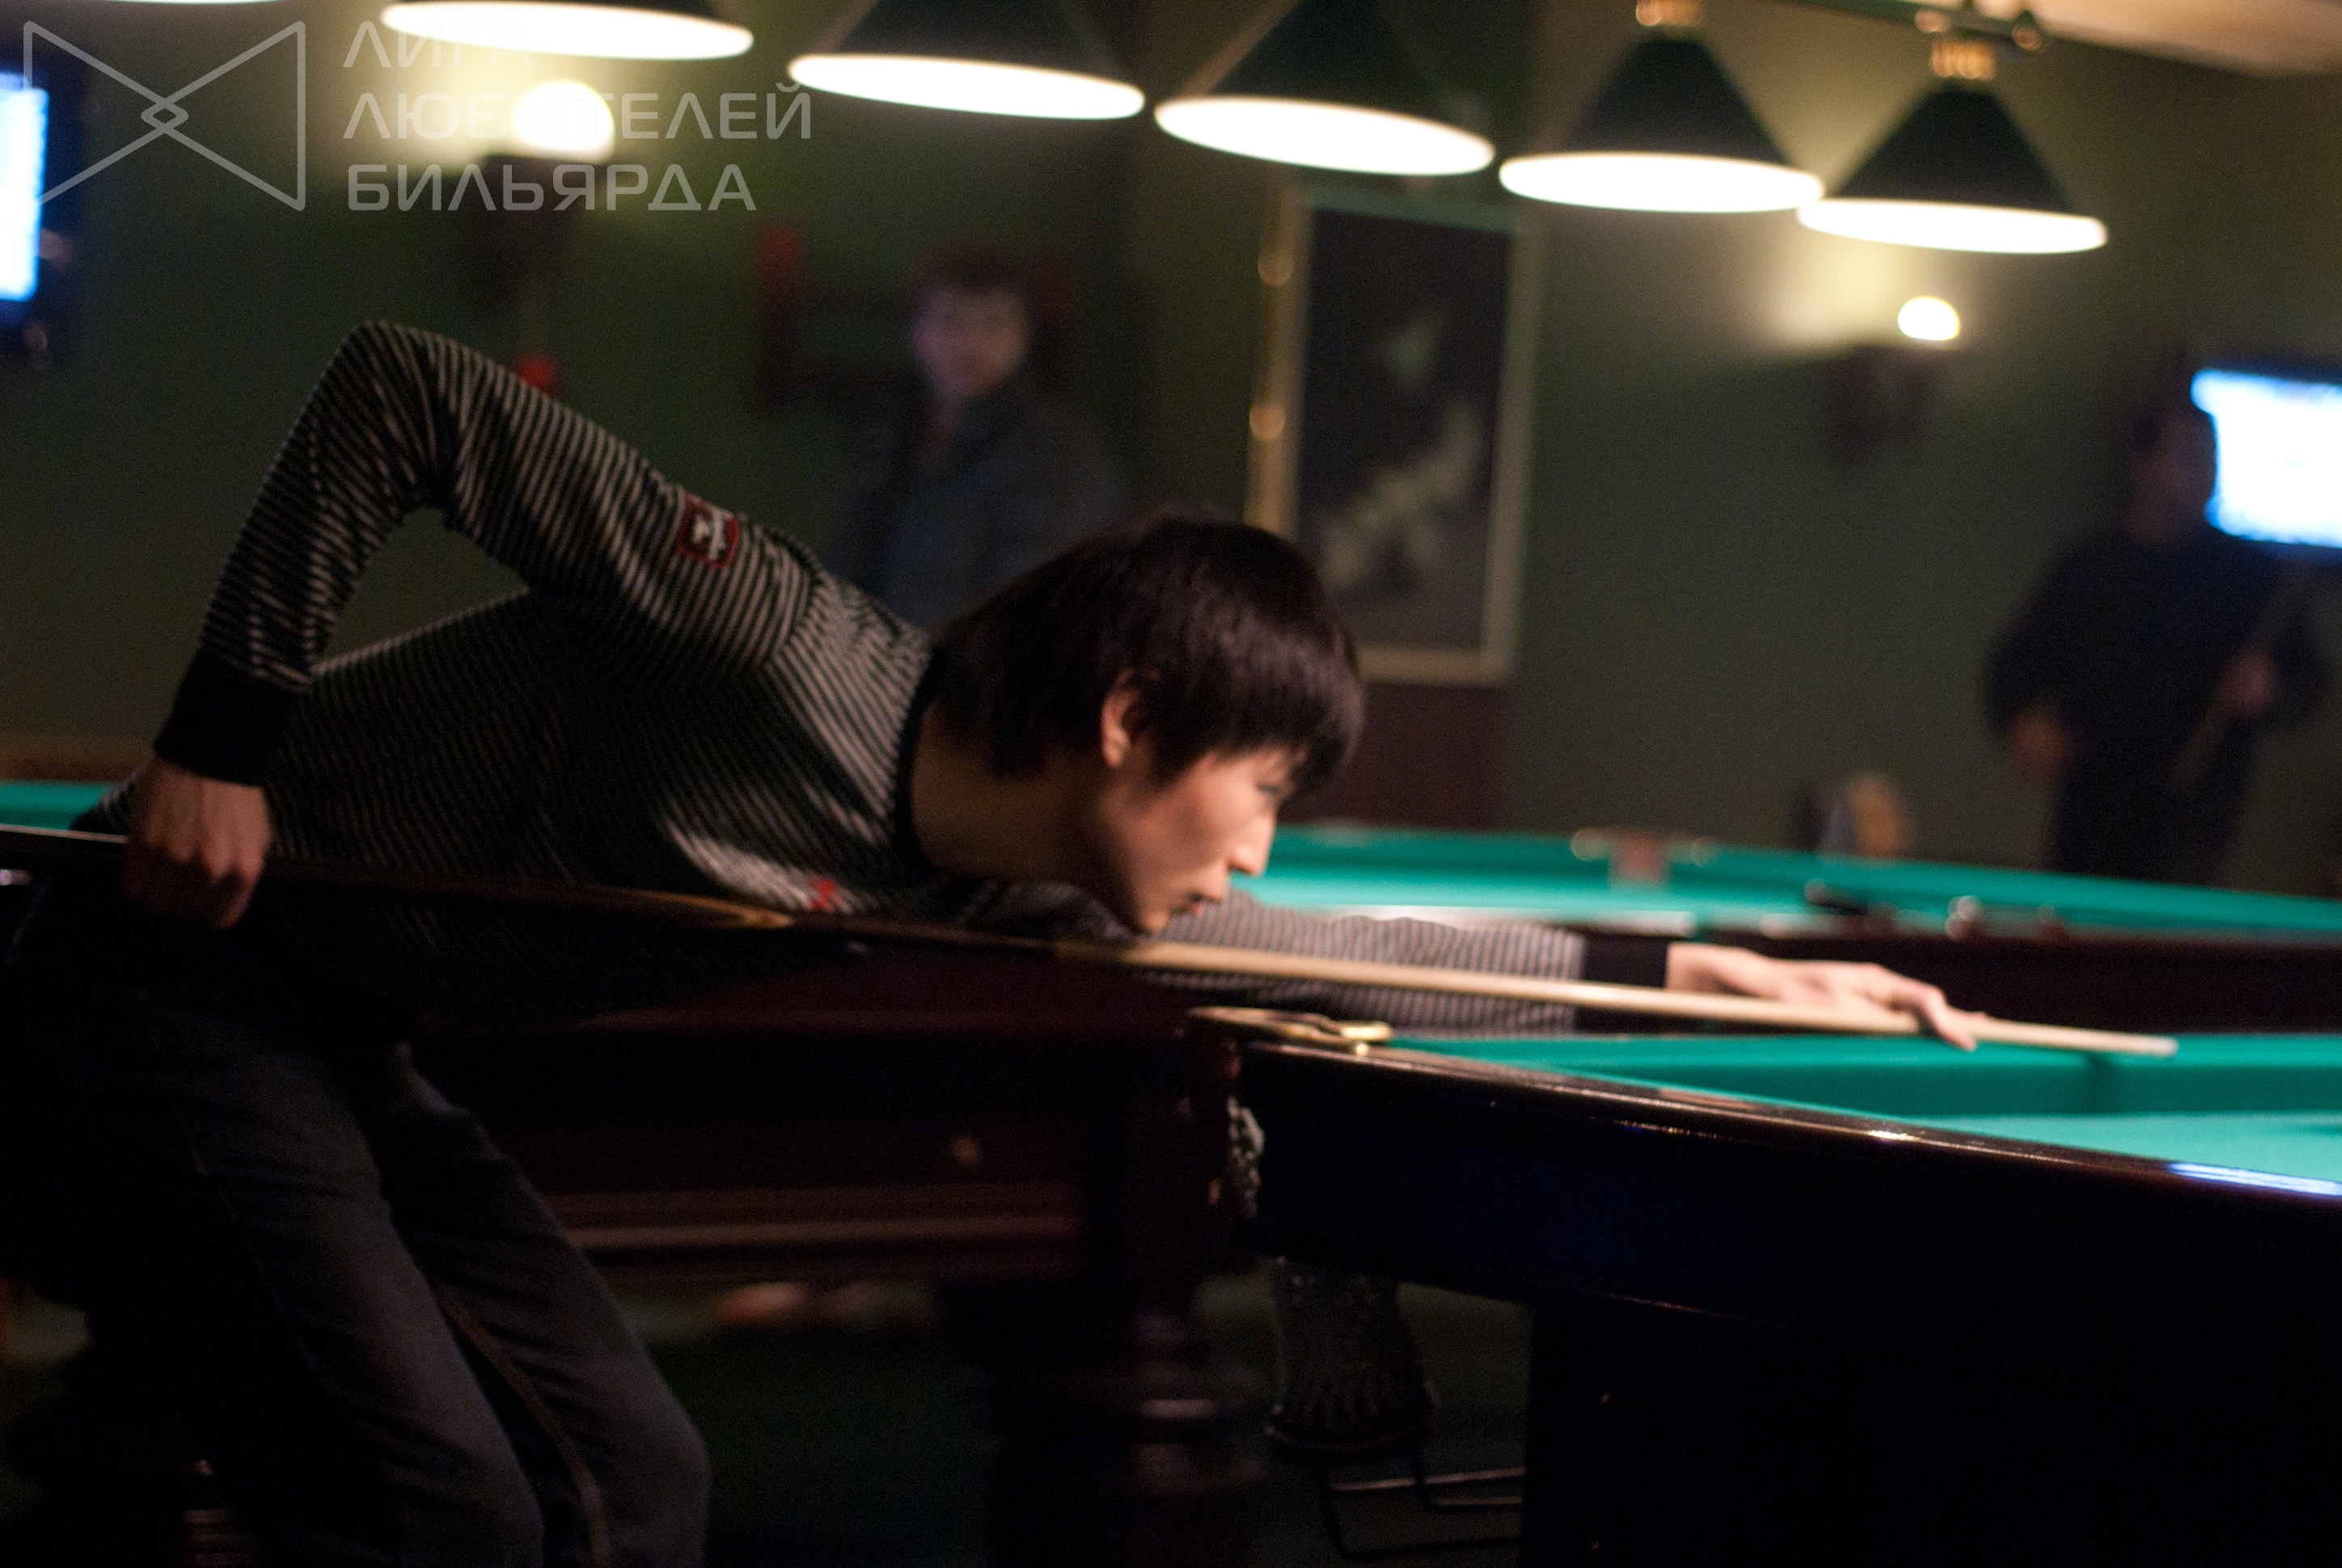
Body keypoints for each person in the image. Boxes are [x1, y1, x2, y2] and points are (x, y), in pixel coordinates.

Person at [0, 323, 1969, 1566]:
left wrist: (1695, 977)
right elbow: (406, 392)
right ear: (1127, 717)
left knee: (640, 1482)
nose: (1255, 846)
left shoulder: (998, 878)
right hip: (156, 981)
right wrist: (220, 740)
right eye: (1257, 786)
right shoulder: (776, 645)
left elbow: (1323, 940)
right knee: (441, 1505)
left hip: (342, 1036)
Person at [1985, 395, 2327, 884]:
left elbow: (2308, 681)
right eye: (2188, 455)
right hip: (2092, 807)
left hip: (2197, 817)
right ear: (2140, 464)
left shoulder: (2249, 577)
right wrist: (2023, 725)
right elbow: (2012, 668)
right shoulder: (2090, 568)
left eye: (2210, 457)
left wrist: (2268, 689)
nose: (2204, 472)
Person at [825, 243, 1124, 628]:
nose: (970, 345)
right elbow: (850, 563)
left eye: (994, 323)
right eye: (949, 321)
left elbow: (1034, 607)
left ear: (1024, 334)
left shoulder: (1058, 453)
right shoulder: (894, 430)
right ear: (917, 328)